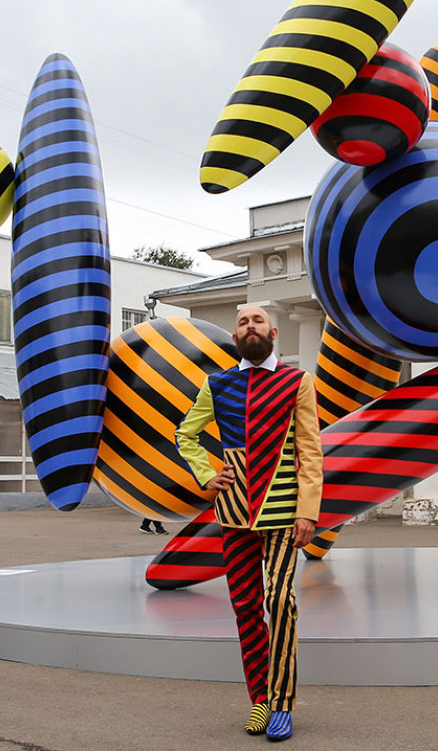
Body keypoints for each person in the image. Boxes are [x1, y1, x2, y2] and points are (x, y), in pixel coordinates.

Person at [175, 305, 322, 742]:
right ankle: (259, 698)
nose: (250, 327)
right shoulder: (216, 384)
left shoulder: (298, 382)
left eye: (257, 321)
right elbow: (187, 434)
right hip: (234, 514)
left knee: (279, 602)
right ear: (235, 335)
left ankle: (281, 702)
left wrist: (308, 512)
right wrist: (206, 474)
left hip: (282, 513)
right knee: (245, 608)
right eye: (243, 322)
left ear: (273, 332)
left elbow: (311, 452)